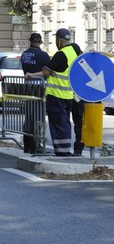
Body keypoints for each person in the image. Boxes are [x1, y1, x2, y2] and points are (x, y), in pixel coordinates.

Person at [26, 28, 81, 156]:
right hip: (68, 95)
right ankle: (65, 149)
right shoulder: (74, 51)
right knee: (65, 123)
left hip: (56, 95)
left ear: (59, 40)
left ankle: (62, 151)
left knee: (58, 124)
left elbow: (46, 71)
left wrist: (31, 74)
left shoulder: (61, 54)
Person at [20, 33, 50, 154]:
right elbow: (48, 71)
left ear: (30, 41)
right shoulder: (43, 55)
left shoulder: (24, 54)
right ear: (40, 42)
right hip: (39, 88)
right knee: (38, 117)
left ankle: (28, 145)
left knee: (29, 116)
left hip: (28, 87)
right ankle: (37, 145)